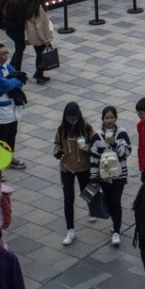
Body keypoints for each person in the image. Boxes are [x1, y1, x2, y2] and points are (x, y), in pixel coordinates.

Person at [88, 105, 132, 246]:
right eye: (107, 118)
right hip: (103, 177)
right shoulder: (97, 136)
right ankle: (115, 224)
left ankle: (116, 231)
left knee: (115, 202)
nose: (109, 120)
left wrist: (115, 145)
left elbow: (126, 153)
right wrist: (93, 177)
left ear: (116, 118)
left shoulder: (122, 133)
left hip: (119, 175)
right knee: (108, 201)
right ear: (103, 119)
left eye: (112, 117)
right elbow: (94, 158)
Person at [54, 101, 93, 246]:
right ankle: (70, 229)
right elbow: (57, 144)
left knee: (86, 191)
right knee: (68, 198)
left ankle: (92, 209)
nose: (72, 121)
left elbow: (95, 144)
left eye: (74, 118)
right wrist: (58, 152)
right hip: (66, 168)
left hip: (83, 167)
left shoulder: (86, 129)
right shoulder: (61, 130)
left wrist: (88, 148)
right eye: (70, 119)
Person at [0, 44, 27, 169]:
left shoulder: (7, 66)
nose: (6, 56)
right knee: (2, 135)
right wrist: (15, 81)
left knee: (12, 132)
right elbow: (4, 86)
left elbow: (22, 78)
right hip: (1, 106)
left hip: (12, 105)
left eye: (6, 53)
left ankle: (9, 156)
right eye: (2, 54)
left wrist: (13, 81)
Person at [0, 0, 27, 72]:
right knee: (20, 48)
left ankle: (12, 66)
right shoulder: (19, 1)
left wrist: (1, 24)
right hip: (17, 28)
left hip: (8, 27)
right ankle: (16, 69)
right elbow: (21, 17)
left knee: (20, 47)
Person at [23, 0, 53, 83]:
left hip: (32, 36)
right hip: (40, 37)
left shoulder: (27, 6)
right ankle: (39, 74)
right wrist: (46, 40)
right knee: (41, 56)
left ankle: (39, 74)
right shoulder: (39, 9)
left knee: (39, 55)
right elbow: (40, 27)